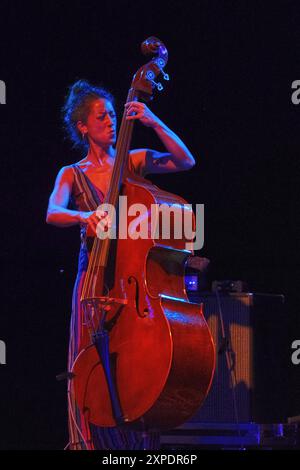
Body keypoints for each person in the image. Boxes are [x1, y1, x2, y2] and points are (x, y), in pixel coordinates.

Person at [46, 79, 195, 450]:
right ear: (82, 126)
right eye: (102, 116)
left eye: (113, 114)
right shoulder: (72, 172)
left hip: (131, 279)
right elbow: (52, 212)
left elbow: (185, 160)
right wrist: (85, 218)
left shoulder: (132, 161)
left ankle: (133, 442)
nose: (111, 121)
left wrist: (153, 121)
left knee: (129, 361)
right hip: (93, 279)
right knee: (87, 359)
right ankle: (85, 442)